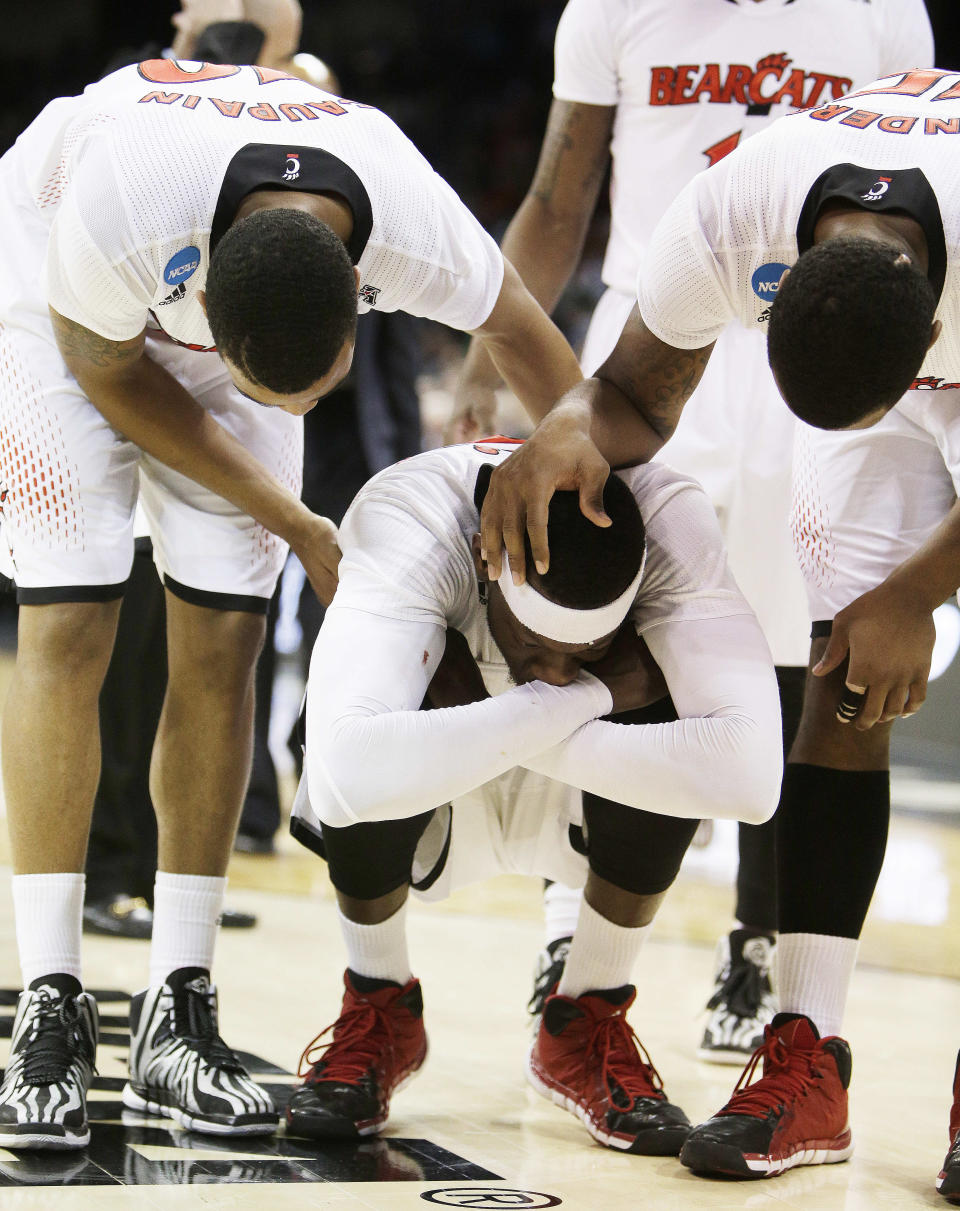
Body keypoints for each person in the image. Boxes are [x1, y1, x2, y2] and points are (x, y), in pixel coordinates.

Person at [0, 56, 584, 1149]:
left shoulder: (410, 217)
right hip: (54, 301)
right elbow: (114, 373)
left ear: (360, 312)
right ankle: (51, 1004)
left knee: (225, 632)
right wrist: (302, 520)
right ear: (209, 307)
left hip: (209, 285)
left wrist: (580, 476)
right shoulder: (117, 206)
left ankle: (181, 1007)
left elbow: (531, 342)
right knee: (70, 616)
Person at [477, 67, 960, 1189]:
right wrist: (563, 428)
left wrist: (915, 595)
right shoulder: (737, 211)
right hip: (858, 342)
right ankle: (809, 1050)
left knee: (882, 617)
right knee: (844, 676)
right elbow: (640, 396)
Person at [284, 438, 783, 1153]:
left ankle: (585, 1018)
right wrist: (596, 688)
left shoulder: (672, 522)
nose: (553, 672)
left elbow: (752, 777)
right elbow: (343, 777)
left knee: (683, 710)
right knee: (364, 720)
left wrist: (548, 711)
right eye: (536, 642)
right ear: (491, 563)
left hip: (575, 779)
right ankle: (380, 999)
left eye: (584, 652)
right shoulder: (413, 515)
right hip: (447, 770)